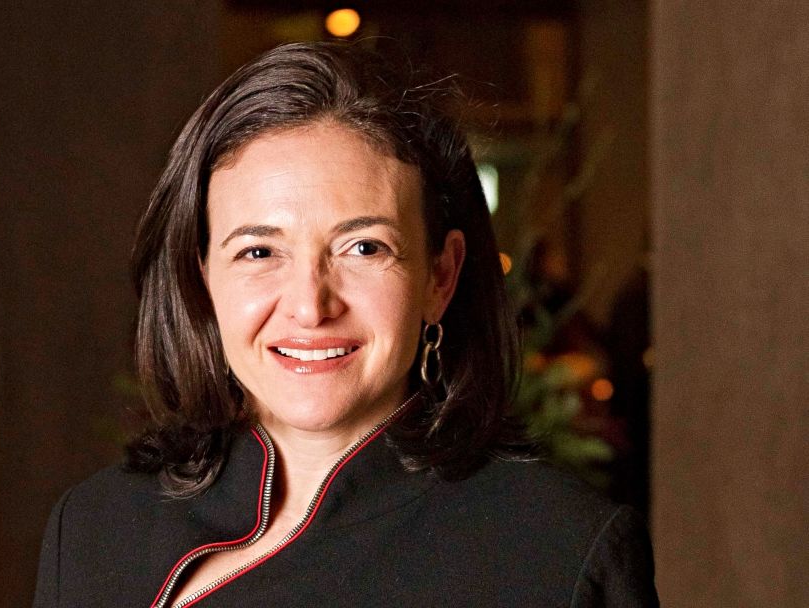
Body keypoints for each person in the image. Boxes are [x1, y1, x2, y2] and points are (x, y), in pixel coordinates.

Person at [33, 42, 658, 607]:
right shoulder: (93, 527)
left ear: (440, 277)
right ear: (202, 279)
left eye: (364, 248)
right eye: (258, 251)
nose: (310, 306)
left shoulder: (559, 555)